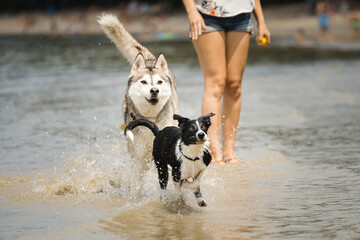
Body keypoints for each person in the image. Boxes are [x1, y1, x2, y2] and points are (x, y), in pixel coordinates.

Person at [182, 0, 270, 164]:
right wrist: (191, 11)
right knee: (216, 83)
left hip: (242, 15)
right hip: (207, 14)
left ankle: (229, 153)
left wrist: (262, 22)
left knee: (234, 85)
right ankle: (214, 152)